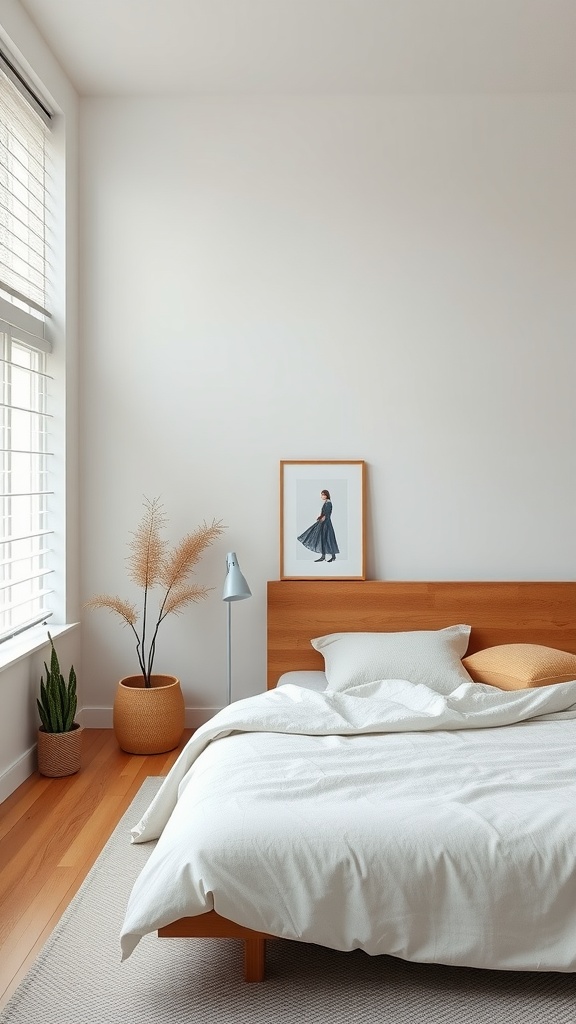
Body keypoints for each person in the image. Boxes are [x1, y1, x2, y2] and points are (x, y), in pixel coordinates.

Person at [297, 489, 339, 563]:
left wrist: (322, 518)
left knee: (328, 539)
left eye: (323, 494)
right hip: (323, 522)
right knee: (323, 539)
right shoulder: (326, 503)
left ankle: (332, 556)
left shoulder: (328, 503)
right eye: (321, 495)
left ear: (326, 495)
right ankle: (325, 556)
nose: (322, 496)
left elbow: (327, 514)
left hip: (326, 523)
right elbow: (324, 513)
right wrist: (320, 517)